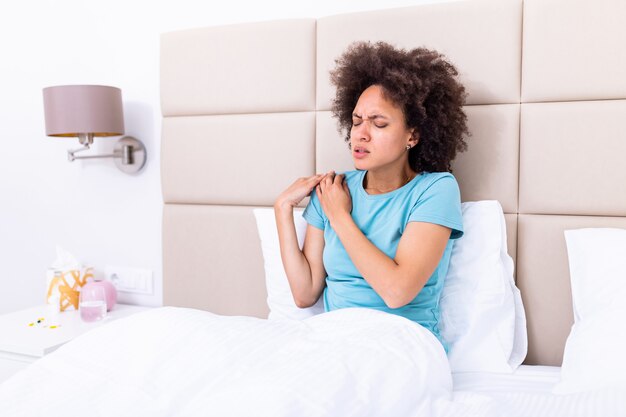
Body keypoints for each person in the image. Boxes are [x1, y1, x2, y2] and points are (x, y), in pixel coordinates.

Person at [273, 41, 469, 351]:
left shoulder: (435, 189)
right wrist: (282, 209)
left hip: (403, 346)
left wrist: (340, 217)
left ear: (413, 135)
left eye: (378, 123)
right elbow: (305, 293)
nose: (360, 134)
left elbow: (397, 292)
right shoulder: (334, 188)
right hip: (334, 342)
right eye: (356, 122)